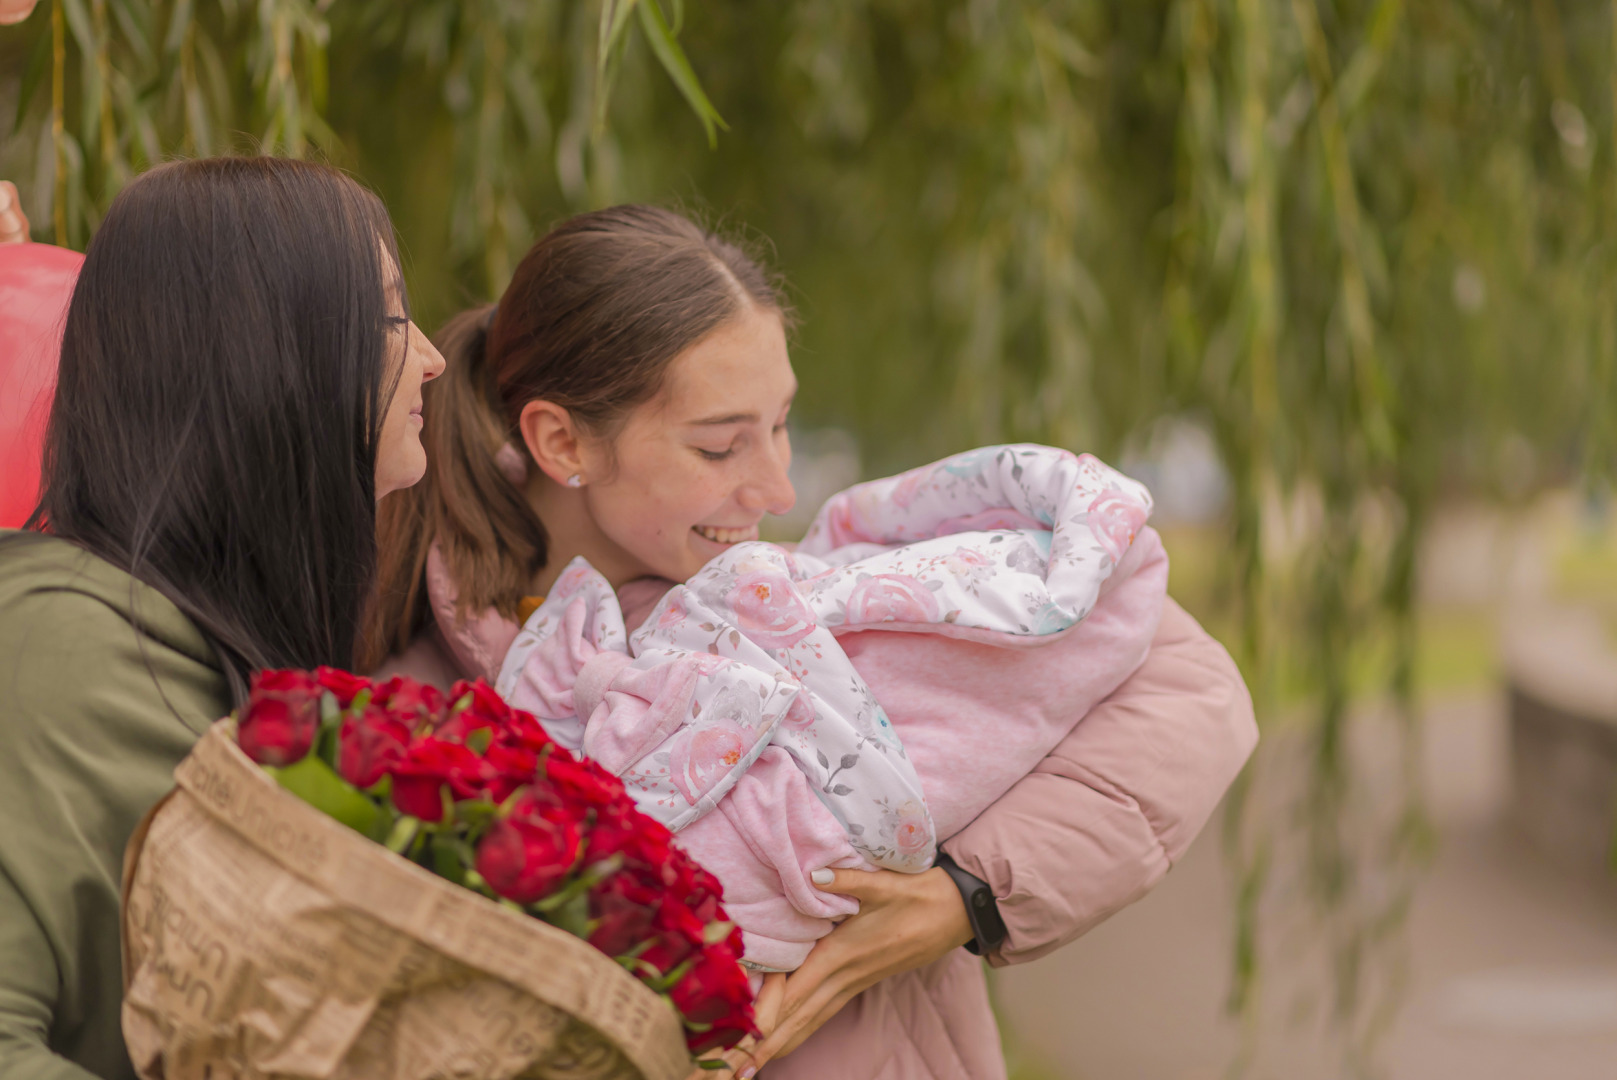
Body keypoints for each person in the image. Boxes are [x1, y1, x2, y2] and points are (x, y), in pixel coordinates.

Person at [370, 204, 1257, 1078]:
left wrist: (966, 895)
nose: (777, 490)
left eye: (780, 424)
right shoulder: (412, 721)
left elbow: (1192, 689)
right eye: (720, 448)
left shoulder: (808, 590)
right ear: (562, 441)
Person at [0, 156, 445, 1080]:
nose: (431, 358)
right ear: (269, 356)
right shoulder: (59, 657)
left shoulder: (205, 650)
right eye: (391, 318)